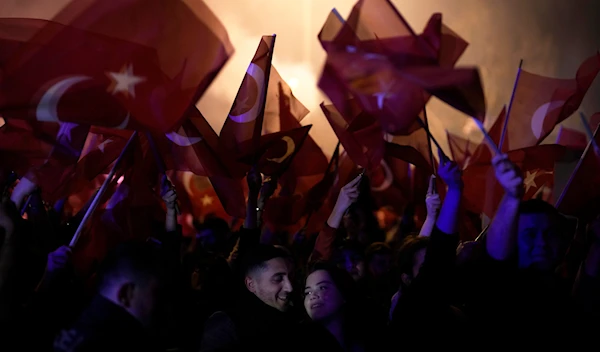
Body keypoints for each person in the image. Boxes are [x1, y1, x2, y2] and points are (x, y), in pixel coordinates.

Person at [53, 242, 165, 352]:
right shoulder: (120, 343)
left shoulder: (77, 328)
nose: (164, 305)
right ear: (126, 294)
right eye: (156, 293)